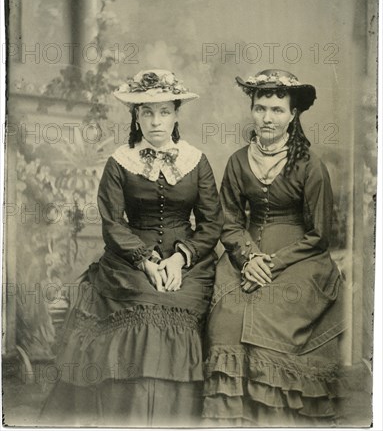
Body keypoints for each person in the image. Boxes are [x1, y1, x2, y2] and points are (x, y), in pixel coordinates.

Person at [40, 69, 223, 427]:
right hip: (128, 261)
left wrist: (179, 258)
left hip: (188, 261)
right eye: (147, 112)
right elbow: (112, 222)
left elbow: (212, 222)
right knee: (139, 309)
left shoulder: (196, 161)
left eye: (164, 111)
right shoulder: (120, 161)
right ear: (136, 116)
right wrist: (146, 262)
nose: (156, 121)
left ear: (176, 114)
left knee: (178, 314)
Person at [203, 69, 345, 427]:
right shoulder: (238, 160)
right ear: (252, 110)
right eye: (260, 108)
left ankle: (274, 417)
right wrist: (248, 258)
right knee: (227, 317)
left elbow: (319, 235)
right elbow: (229, 221)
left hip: (301, 258)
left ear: (293, 115)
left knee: (271, 313)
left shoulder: (309, 164)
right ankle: (234, 418)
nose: (267, 117)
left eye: (277, 110)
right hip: (246, 253)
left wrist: (273, 264)